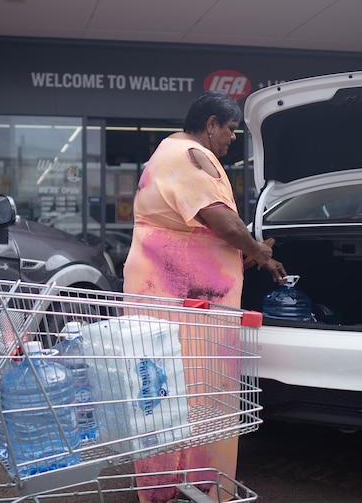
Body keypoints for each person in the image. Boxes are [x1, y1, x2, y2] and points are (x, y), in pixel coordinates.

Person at [123, 90, 286, 502]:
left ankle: (165, 488)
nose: (232, 139)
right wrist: (259, 252)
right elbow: (221, 221)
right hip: (188, 308)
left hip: (165, 295)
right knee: (199, 396)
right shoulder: (192, 155)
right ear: (211, 124)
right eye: (230, 129)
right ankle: (203, 486)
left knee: (161, 397)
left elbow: (197, 235)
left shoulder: (165, 153)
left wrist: (242, 255)